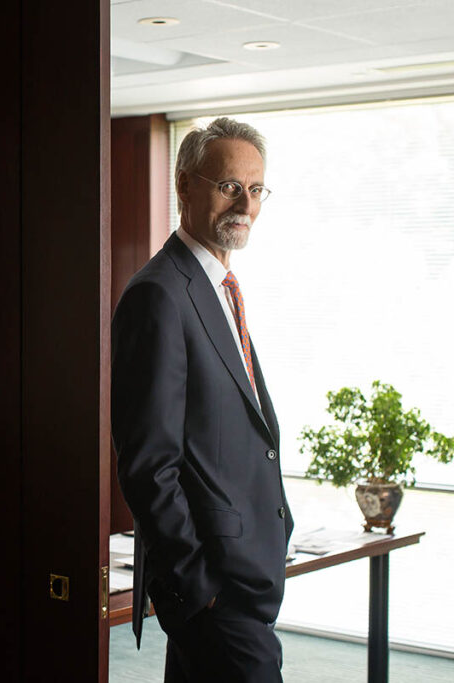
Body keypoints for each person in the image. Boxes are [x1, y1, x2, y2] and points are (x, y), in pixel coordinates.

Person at [110, 117, 293, 683]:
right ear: (185, 186)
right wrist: (197, 585)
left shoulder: (216, 289)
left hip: (241, 573)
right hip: (214, 584)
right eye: (228, 185)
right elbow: (148, 463)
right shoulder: (159, 294)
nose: (245, 203)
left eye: (256, 188)